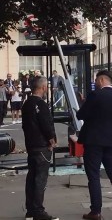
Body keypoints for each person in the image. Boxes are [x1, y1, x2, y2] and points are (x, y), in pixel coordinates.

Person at [77, 70, 112, 220]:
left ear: (100, 80)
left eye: (96, 81)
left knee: (93, 176)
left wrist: (83, 103)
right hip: (110, 140)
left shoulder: (95, 95)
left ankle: (96, 211)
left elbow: (81, 115)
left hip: (93, 141)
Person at [21, 76, 58, 220]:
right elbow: (46, 125)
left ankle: (30, 210)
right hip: (42, 146)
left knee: (31, 178)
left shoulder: (27, 104)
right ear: (42, 87)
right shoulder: (41, 104)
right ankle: (38, 211)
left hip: (31, 145)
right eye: (46, 86)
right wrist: (52, 141)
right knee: (40, 179)